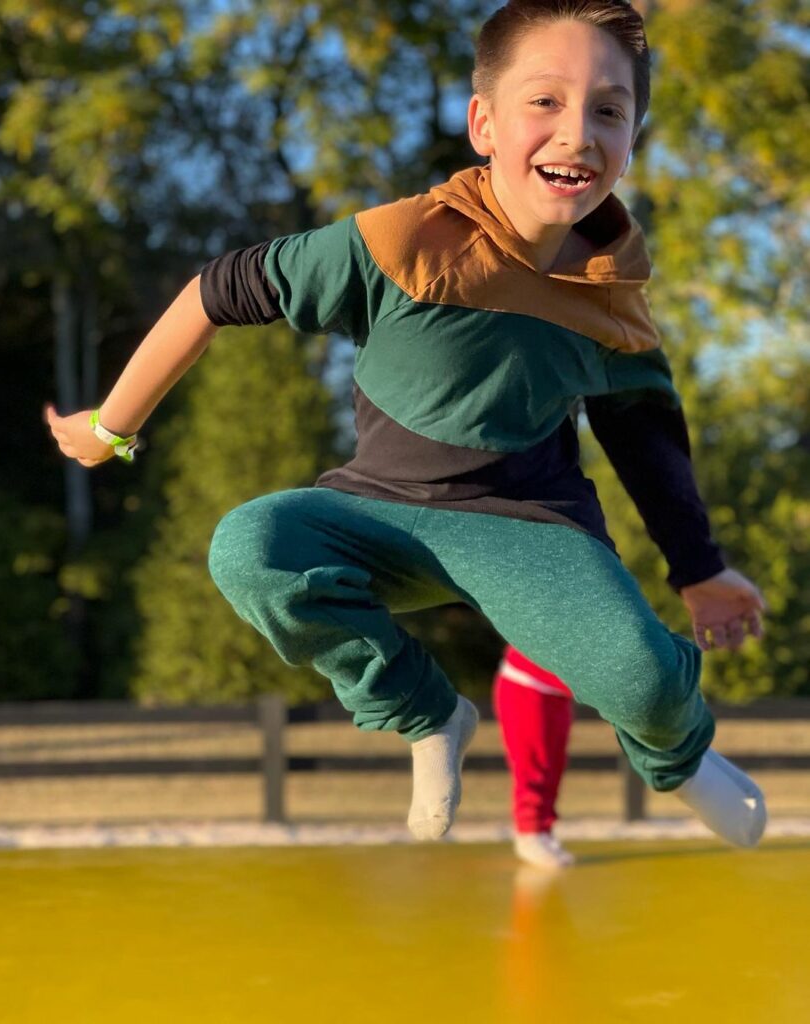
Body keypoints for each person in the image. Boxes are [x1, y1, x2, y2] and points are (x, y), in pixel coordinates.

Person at [46, 0, 767, 849]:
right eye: (545, 101)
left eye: (608, 110)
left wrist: (699, 569)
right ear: (483, 123)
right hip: (378, 513)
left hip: (528, 530)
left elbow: (646, 445)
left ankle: (679, 758)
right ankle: (428, 714)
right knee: (251, 546)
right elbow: (215, 291)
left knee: (643, 680)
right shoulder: (399, 240)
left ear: (632, 136)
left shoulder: (613, 300)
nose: (577, 131)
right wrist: (111, 428)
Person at [494, 646, 576, 868]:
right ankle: (529, 833)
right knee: (533, 765)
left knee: (554, 765)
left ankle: (543, 831)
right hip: (525, 687)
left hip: (556, 695)